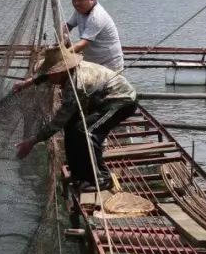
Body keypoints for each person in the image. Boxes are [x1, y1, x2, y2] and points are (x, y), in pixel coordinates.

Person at [12, 46, 138, 192]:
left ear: (60, 71)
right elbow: (46, 76)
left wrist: (32, 141)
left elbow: (58, 121)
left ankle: (102, 178)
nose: (49, 77)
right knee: (71, 126)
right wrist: (26, 83)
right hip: (101, 99)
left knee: (87, 132)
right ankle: (78, 173)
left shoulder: (76, 85)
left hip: (121, 102)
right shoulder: (66, 73)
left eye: (51, 73)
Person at [64, 0, 124, 72]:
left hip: (109, 66)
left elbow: (83, 43)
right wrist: (63, 40)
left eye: (80, 0)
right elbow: (67, 26)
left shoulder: (96, 16)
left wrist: (63, 55)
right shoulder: (79, 11)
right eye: (74, 0)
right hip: (93, 64)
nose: (76, 4)